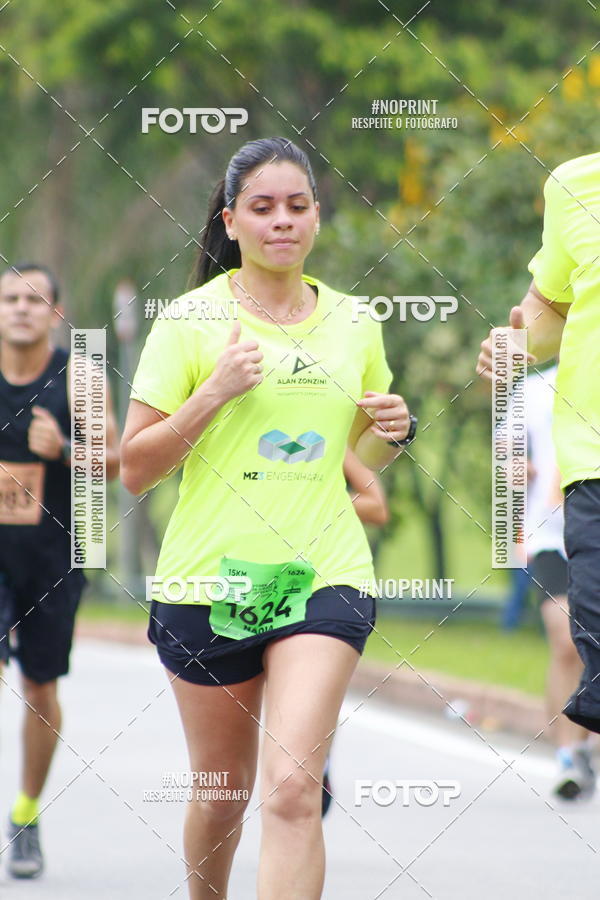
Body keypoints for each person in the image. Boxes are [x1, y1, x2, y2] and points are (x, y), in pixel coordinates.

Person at [121, 136, 417, 900]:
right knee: (222, 789)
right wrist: (213, 391)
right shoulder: (189, 321)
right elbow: (136, 469)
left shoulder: (356, 323)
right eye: (262, 207)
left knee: (291, 789)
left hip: (325, 573)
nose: (281, 220)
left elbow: (356, 460)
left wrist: (391, 434)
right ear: (230, 222)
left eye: (297, 205)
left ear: (317, 217)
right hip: (207, 582)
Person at [0, 262, 120, 878]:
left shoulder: (81, 377)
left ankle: (24, 814)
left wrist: (68, 449)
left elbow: (119, 460)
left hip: (53, 556)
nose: (21, 308)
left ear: (56, 314)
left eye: (34, 300)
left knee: (40, 687)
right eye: (10, 298)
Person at [476, 151, 600, 737]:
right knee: (580, 648)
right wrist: (514, 346)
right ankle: (573, 756)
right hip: (588, 476)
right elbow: (547, 311)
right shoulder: (574, 183)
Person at [525, 365, 595, 798]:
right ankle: (567, 755)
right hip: (551, 534)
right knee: (565, 639)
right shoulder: (531, 391)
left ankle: (587, 738)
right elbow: (506, 464)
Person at [321, 447, 389, 816]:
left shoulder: (328, 433)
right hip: (245, 573)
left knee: (307, 684)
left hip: (323, 579)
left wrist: (309, 504)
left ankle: (316, 761)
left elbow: (375, 504)